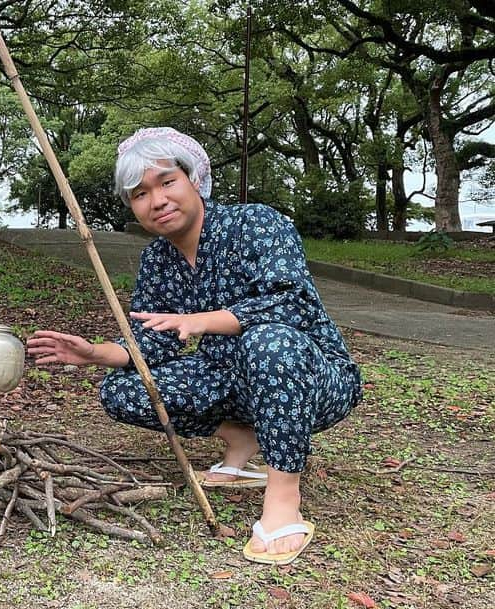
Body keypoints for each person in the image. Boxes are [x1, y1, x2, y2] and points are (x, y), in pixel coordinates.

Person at [27, 127, 362, 566]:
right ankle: (242, 440)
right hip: (230, 379)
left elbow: (289, 303)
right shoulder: (157, 259)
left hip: (310, 377)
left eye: (167, 182)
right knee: (122, 390)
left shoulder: (256, 224)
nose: (158, 200)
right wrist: (94, 352)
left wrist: (199, 320)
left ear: (194, 179)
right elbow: (151, 339)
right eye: (140, 194)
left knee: (270, 341)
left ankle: (283, 494)